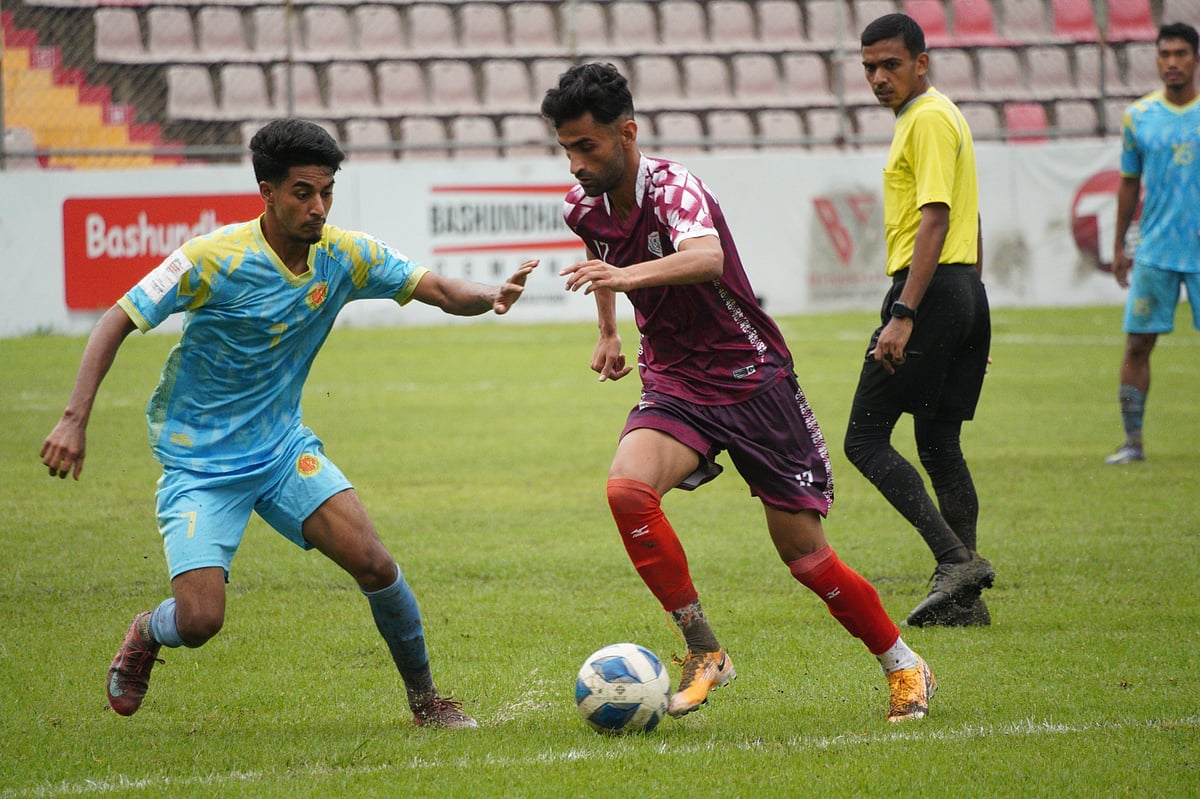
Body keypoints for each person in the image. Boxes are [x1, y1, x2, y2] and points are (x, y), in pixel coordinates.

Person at [40, 119, 538, 728]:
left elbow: (433, 286)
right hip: (201, 464)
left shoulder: (345, 254)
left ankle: (427, 702)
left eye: (326, 191)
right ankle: (148, 630)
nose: (318, 207)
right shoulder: (210, 259)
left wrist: (490, 295)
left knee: (376, 565)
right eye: (303, 192)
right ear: (267, 191)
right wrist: (72, 420)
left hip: (281, 453)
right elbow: (115, 319)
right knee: (200, 622)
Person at [541, 62, 935, 723]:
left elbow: (705, 258)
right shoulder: (582, 205)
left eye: (587, 146)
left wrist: (626, 277)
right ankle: (704, 649)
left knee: (805, 556)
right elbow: (602, 262)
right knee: (626, 489)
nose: (576, 163)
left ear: (627, 133)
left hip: (753, 378)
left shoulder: (673, 188)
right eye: (566, 149)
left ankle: (903, 664)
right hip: (674, 379)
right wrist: (610, 332)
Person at [844, 14, 994, 628]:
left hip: (927, 292)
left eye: (891, 65)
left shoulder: (927, 118)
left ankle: (955, 562)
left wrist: (905, 312)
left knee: (864, 438)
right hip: (959, 290)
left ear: (921, 62)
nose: (879, 78)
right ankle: (967, 602)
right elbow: (969, 219)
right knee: (938, 442)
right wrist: (972, 312)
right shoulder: (940, 115)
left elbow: (935, 217)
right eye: (869, 68)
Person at [1107, 22, 1200, 465]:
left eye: (1181, 54)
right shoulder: (1139, 116)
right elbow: (1129, 183)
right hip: (1156, 250)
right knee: (1137, 345)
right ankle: (1133, 442)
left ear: (1196, 59)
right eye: (1165, 54)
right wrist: (1120, 244)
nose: (1172, 63)